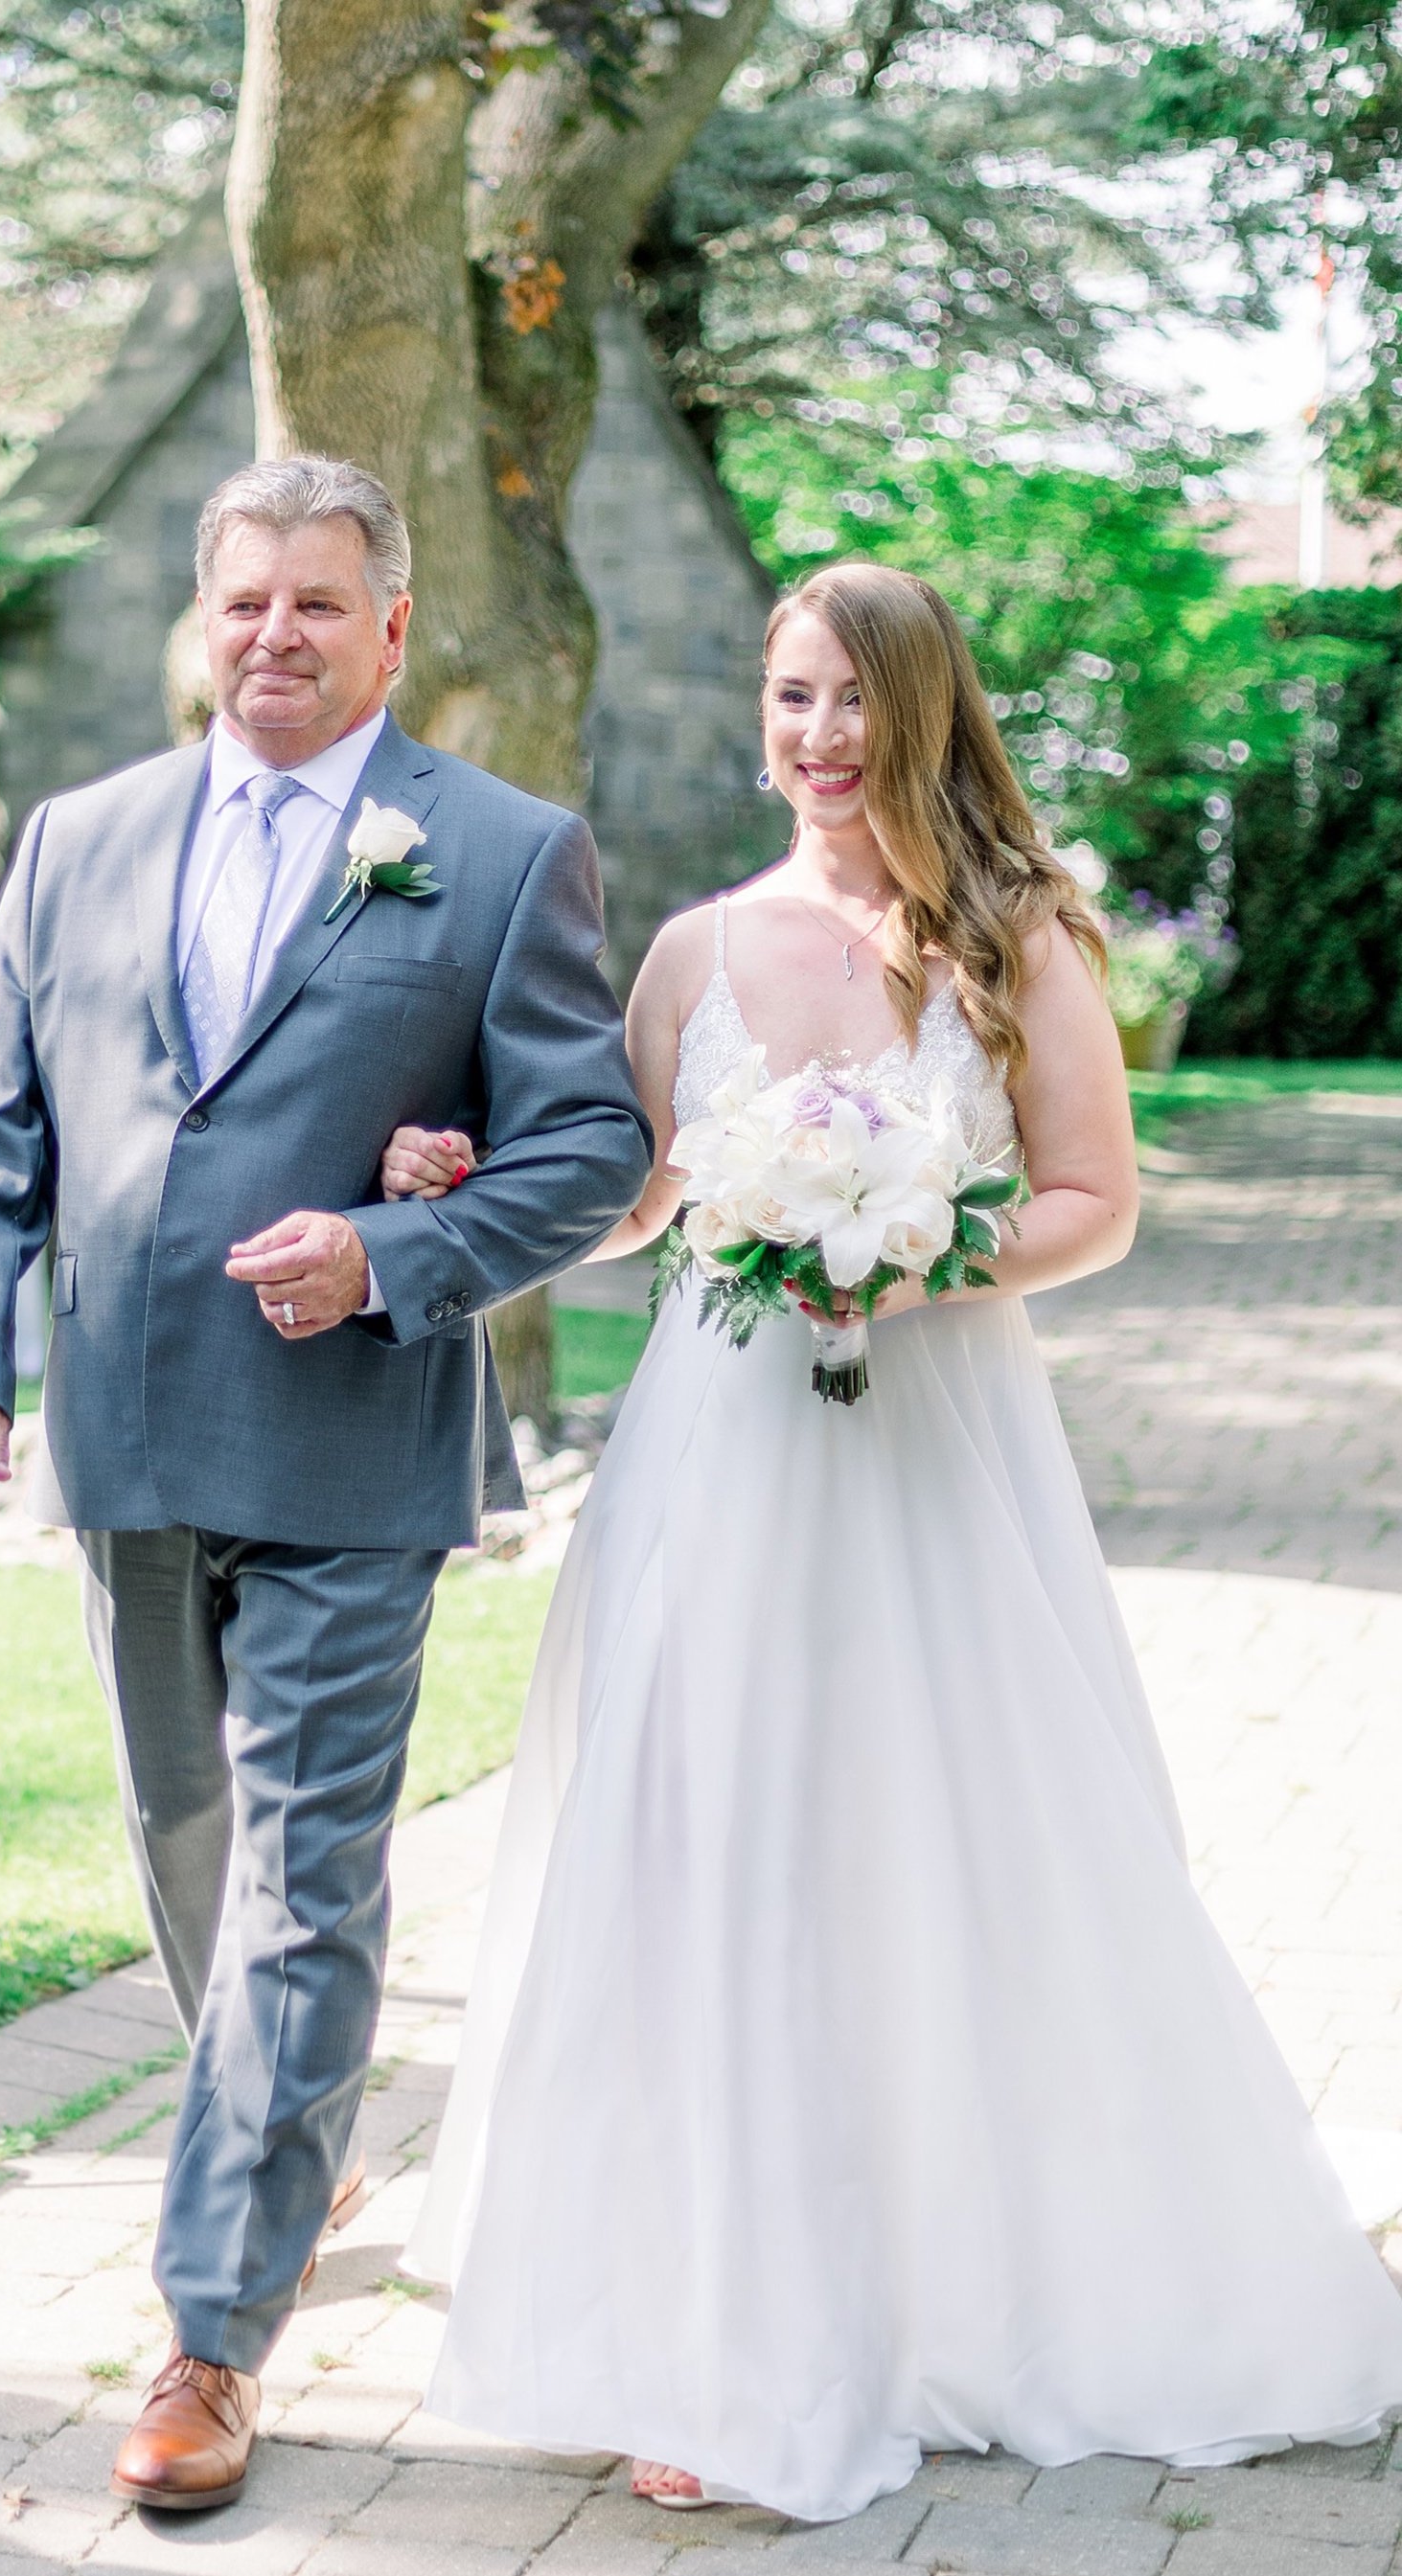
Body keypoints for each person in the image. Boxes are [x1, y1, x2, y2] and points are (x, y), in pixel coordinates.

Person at [385, 561, 1402, 2523]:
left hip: (929, 1449)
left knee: (956, 1830)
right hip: (719, 1457)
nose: (818, 739)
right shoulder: (692, 948)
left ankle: (971, 2284)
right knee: (712, 1841)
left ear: (922, 715)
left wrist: (911, 1254)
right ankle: (704, 2322)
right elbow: (641, 1197)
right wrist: (467, 1174)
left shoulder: (1014, 938)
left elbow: (1093, 1201)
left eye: (853, 702)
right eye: (788, 699)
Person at [0, 455, 652, 2514]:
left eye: (320, 604)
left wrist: (399, 1250)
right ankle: (290, 2141)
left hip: (349, 1445)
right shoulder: (77, 839)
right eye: (243, 601)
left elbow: (584, 1142)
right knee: (187, 1849)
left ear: (391, 628)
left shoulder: (494, 857)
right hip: (129, 1432)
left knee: (305, 1875)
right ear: (201, 616)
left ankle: (209, 2335)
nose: (274, 637)